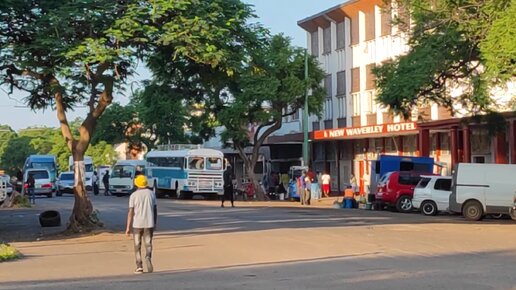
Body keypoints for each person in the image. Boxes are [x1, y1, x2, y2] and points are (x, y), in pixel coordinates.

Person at [125, 175, 157, 274]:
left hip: (137, 224)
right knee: (148, 243)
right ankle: (148, 256)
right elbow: (155, 210)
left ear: (136, 184)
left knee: (137, 245)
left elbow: (131, 212)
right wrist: (154, 223)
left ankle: (139, 266)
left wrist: (128, 227)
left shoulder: (133, 195)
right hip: (149, 223)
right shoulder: (151, 194)